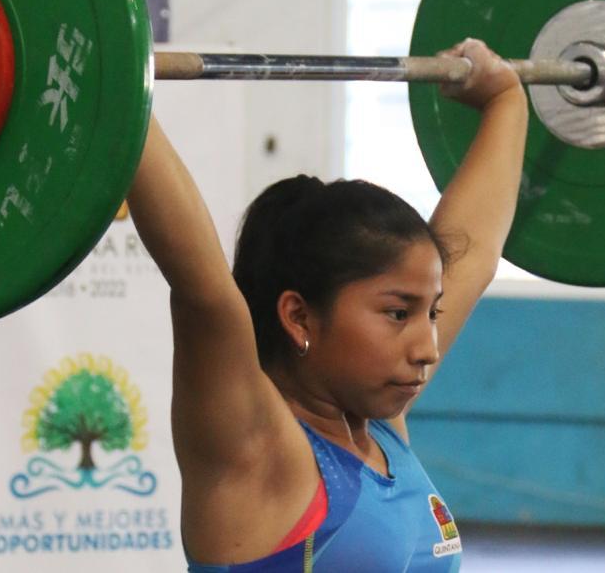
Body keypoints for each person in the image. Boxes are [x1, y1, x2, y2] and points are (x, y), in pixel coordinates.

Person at [127, 39, 528, 571]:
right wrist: (119, 77)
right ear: (299, 316)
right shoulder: (254, 448)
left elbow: (474, 255)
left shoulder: (381, 430)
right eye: (397, 313)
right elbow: (205, 294)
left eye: (430, 311)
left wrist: (505, 99)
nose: (427, 348)